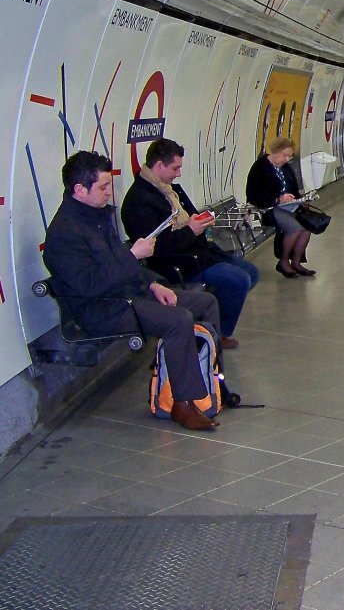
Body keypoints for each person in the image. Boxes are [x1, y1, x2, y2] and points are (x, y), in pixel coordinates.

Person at [43, 151, 222, 431]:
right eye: (102, 187)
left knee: (205, 302)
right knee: (179, 320)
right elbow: (89, 286)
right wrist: (132, 257)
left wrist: (153, 283)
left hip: (129, 293)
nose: (109, 193)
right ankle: (183, 404)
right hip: (102, 308)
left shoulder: (96, 218)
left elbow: (120, 263)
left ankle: (210, 378)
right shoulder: (64, 233)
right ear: (80, 190)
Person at [121, 138, 258, 350]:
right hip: (178, 262)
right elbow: (159, 250)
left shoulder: (171, 191)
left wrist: (201, 221)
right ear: (159, 166)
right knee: (239, 280)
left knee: (252, 273)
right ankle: (215, 334)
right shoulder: (138, 202)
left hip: (196, 252)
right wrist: (191, 230)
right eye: (175, 168)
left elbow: (192, 215)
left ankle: (212, 325)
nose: (179, 173)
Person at [246, 136, 314, 278]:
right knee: (295, 230)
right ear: (276, 151)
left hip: (290, 206)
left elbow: (293, 188)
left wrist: (301, 200)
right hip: (271, 207)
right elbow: (253, 195)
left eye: (289, 156)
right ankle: (283, 262)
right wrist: (277, 199)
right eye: (285, 155)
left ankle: (296, 262)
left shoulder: (285, 168)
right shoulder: (260, 168)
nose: (287, 159)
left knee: (307, 229)